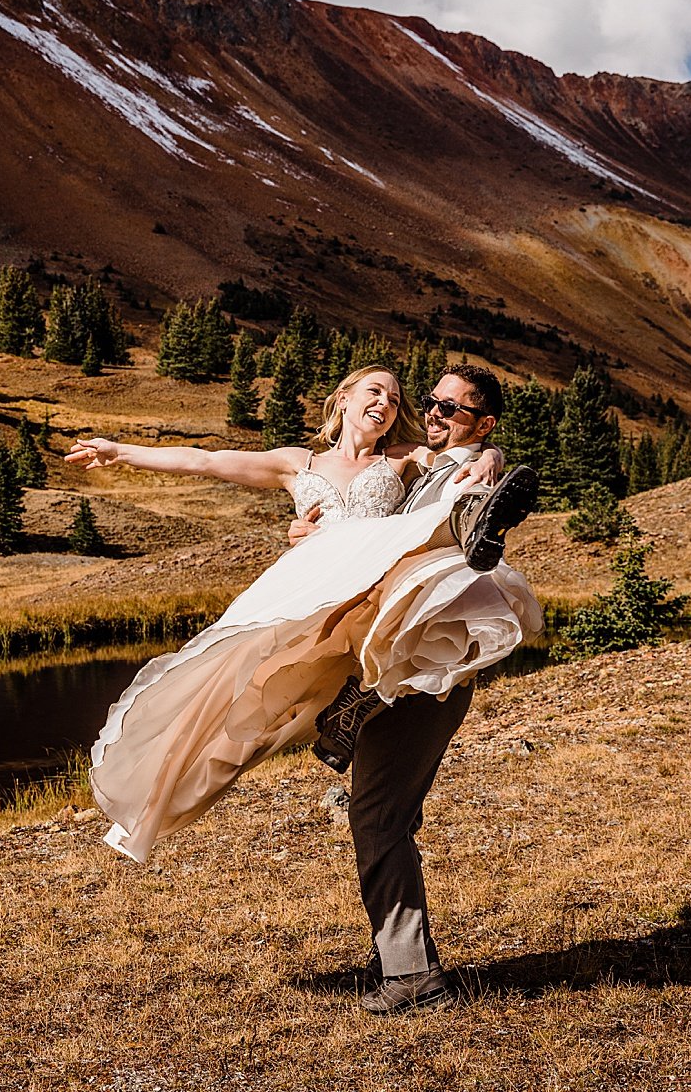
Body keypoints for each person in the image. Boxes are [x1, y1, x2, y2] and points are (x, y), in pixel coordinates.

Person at [64, 364, 536, 867]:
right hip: (312, 591)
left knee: (371, 617)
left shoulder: (402, 459)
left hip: (369, 585)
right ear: (345, 400)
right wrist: (120, 452)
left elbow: (457, 456)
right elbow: (204, 460)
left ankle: (352, 707)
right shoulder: (297, 463)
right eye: (376, 392)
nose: (388, 404)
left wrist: (493, 455)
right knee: (238, 703)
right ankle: (152, 801)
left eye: (396, 400)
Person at [289, 362, 538, 1014]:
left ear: (480, 423)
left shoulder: (464, 467)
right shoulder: (417, 465)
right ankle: (399, 952)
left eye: (451, 409)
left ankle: (411, 975)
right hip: (394, 647)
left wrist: (487, 461)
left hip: (428, 664)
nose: (433, 412)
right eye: (430, 402)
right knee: (388, 815)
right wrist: (310, 535)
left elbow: (479, 461)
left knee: (376, 817)